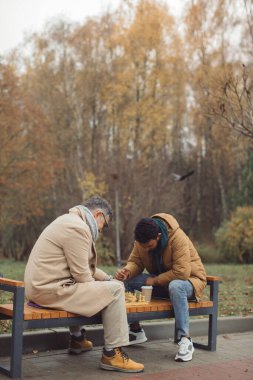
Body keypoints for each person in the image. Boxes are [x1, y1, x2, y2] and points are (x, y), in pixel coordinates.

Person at [24, 196, 144, 373]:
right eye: (105, 224)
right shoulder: (78, 228)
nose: (102, 230)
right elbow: (83, 276)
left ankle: (77, 338)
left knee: (107, 286)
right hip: (50, 290)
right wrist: (109, 288)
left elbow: (85, 267)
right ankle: (112, 355)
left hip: (42, 287)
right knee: (116, 291)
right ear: (98, 215)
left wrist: (109, 279)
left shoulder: (68, 221)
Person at [115, 213, 207, 362]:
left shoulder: (178, 237)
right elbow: (136, 262)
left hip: (189, 282)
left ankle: (185, 339)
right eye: (144, 246)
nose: (147, 249)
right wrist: (127, 271)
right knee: (126, 282)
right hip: (163, 282)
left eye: (149, 246)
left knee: (176, 286)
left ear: (158, 236)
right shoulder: (142, 241)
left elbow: (182, 272)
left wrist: (156, 280)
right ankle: (135, 330)